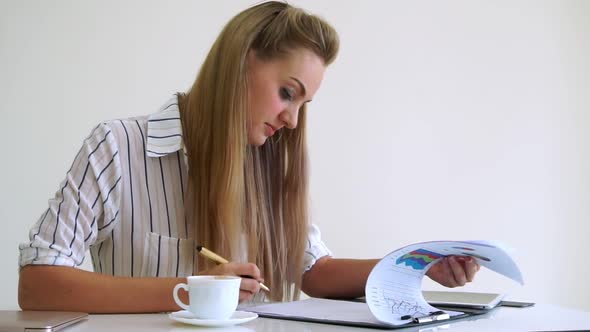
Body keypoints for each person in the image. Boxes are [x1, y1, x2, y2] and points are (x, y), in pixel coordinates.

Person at [18, 1, 480, 314]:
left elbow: (315, 273)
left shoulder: (269, 166)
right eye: (287, 93)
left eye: (303, 105)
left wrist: (419, 265)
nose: (293, 121)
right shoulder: (117, 146)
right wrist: (195, 291)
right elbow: (38, 284)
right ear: (241, 62)